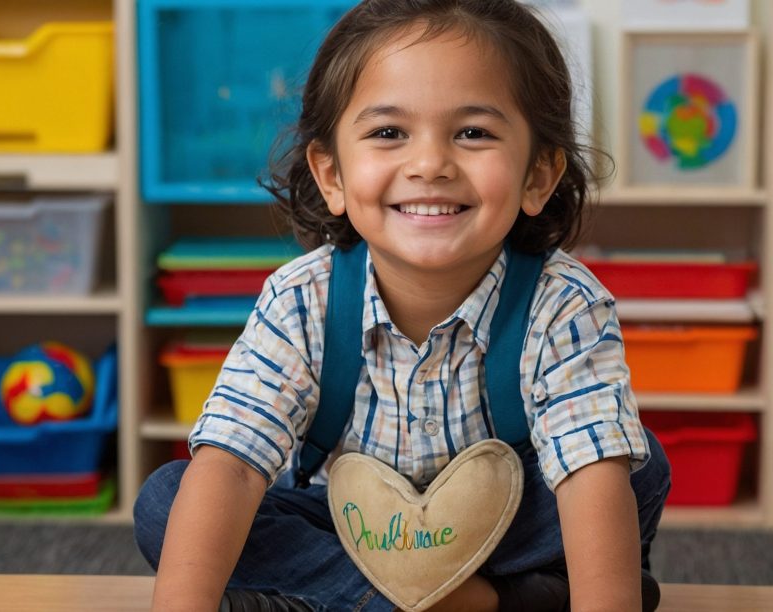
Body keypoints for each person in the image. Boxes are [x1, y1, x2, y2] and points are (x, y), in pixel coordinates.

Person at [134, 1, 671, 611]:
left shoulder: (564, 303)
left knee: (630, 468)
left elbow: (589, 476)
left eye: (473, 133)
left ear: (537, 176)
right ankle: (477, 604)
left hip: (501, 530)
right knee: (169, 501)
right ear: (332, 175)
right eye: (389, 133)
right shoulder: (300, 299)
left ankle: (347, 602)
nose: (430, 165)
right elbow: (232, 465)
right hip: (351, 532)